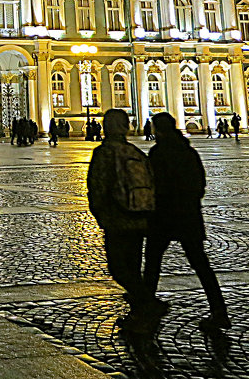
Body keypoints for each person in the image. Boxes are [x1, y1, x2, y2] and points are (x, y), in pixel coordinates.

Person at [143, 112, 230, 331]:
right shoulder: (189, 152)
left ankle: (144, 309)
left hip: (163, 217)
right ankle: (219, 310)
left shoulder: (158, 153)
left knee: (152, 264)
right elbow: (200, 184)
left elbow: (152, 185)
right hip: (189, 216)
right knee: (201, 265)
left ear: (158, 130)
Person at [86, 108, 165, 335]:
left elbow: (97, 187)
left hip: (117, 219)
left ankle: (147, 304)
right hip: (139, 218)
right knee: (133, 266)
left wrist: (100, 215)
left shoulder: (105, 153)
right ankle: (139, 312)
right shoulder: (135, 152)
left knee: (118, 268)